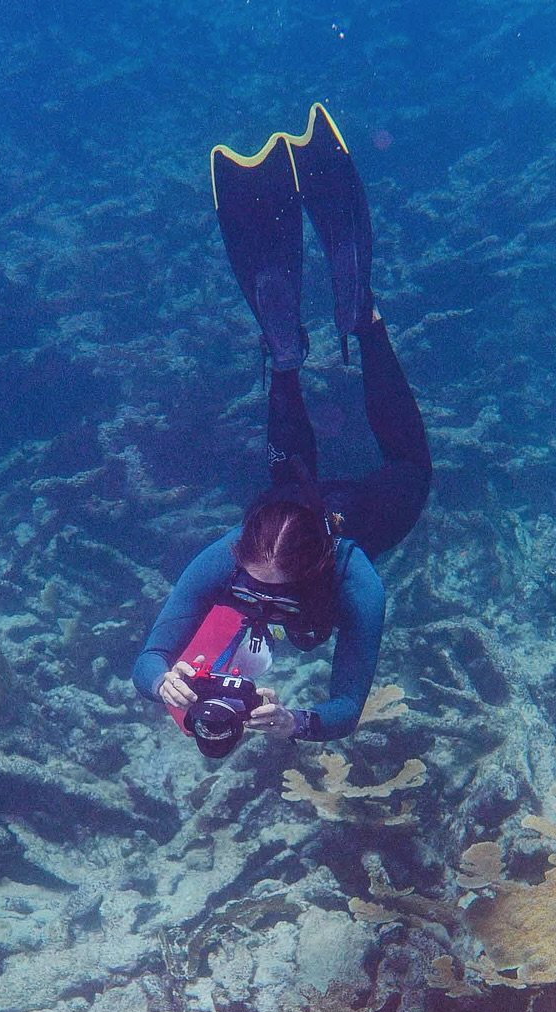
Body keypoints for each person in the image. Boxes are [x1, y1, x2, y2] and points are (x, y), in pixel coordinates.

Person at [132, 104, 431, 751]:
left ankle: (360, 326)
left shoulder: (356, 581)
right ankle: (292, 351)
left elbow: (349, 704)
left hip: (369, 517)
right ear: (242, 546)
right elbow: (147, 660)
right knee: (289, 474)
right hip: (293, 502)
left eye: (276, 586)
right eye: (253, 577)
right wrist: (163, 684)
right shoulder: (226, 556)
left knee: (410, 468)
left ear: (317, 565)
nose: (261, 593)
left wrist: (301, 722)